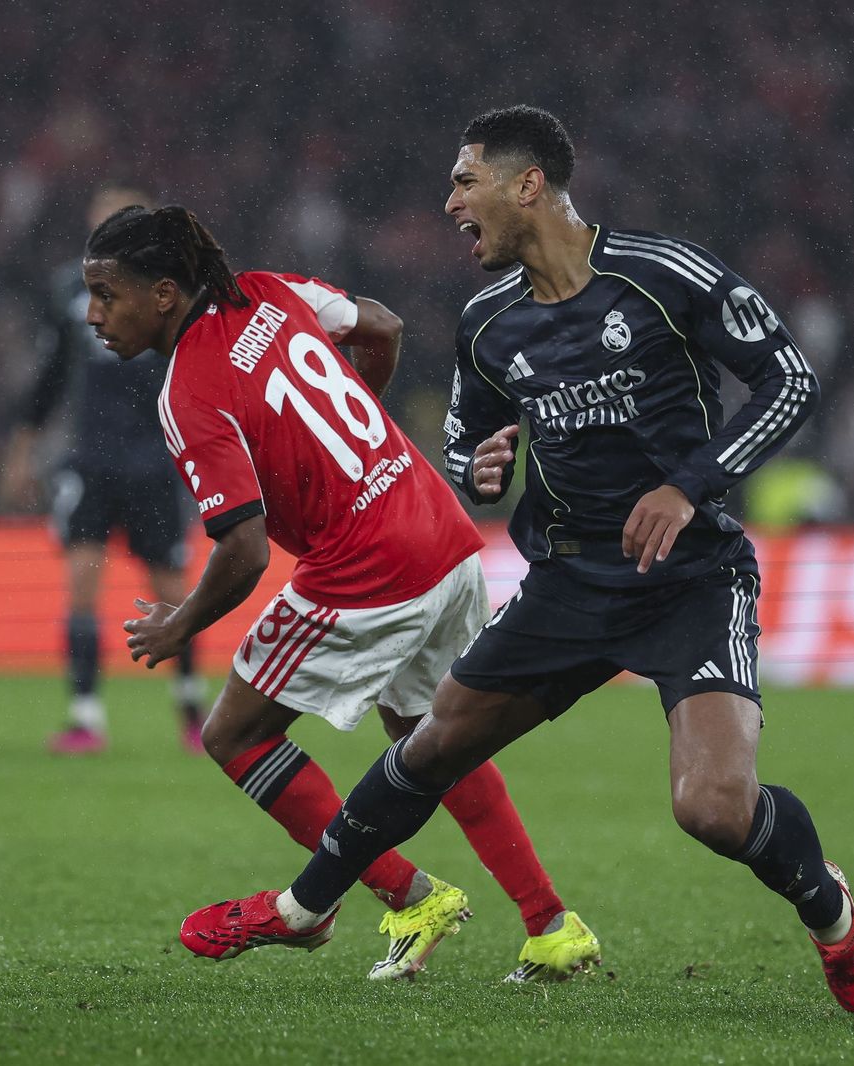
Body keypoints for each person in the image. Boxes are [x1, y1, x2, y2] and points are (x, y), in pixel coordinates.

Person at [181, 105, 854, 1012]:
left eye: (465, 181)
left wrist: (688, 485)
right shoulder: (487, 323)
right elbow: (470, 440)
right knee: (430, 746)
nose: (449, 203)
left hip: (689, 580)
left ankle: (830, 913)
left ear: (528, 186)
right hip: (567, 585)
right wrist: (480, 466)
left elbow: (791, 379)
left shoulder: (662, 276)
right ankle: (302, 906)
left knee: (711, 807)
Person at [86, 201, 598, 981]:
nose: (93, 315)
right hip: (438, 525)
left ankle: (402, 895)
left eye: (106, 294)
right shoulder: (268, 289)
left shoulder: (188, 391)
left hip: (369, 566)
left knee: (235, 735)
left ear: (162, 294)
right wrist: (362, 409)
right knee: (431, 740)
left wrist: (179, 626)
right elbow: (383, 324)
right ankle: (550, 924)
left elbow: (245, 549)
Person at [1, 184, 204, 756]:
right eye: (98, 217)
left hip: (155, 459)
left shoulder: (171, 291)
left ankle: (192, 714)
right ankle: (86, 719)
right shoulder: (70, 288)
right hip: (90, 459)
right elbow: (49, 376)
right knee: (82, 588)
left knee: (173, 596)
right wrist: (24, 451)